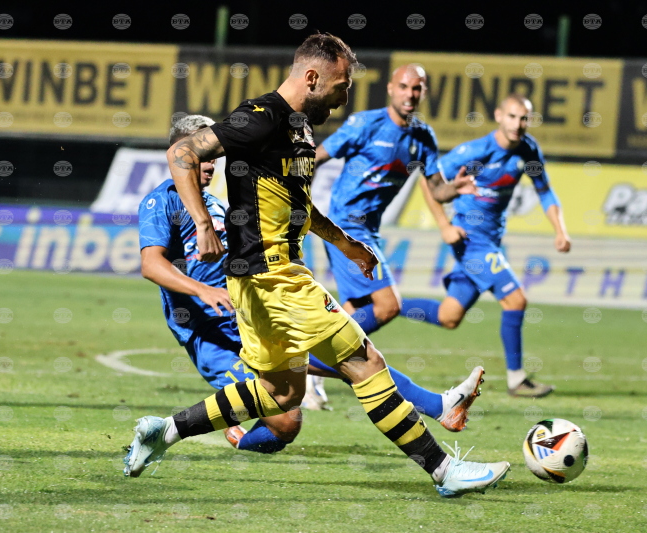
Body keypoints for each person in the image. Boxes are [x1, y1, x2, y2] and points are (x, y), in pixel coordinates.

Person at [123, 33, 509, 498]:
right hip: (274, 277)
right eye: (341, 86)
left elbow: (300, 204)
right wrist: (203, 224)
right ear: (311, 77)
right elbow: (182, 154)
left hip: (263, 281)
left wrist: (346, 244)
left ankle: (164, 431)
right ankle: (445, 471)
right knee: (366, 362)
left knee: (283, 394)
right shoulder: (260, 116)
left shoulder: (299, 129)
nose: (343, 98)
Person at [135, 114, 486, 455]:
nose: (212, 164)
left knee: (353, 359)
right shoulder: (161, 201)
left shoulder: (217, 204)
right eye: (205, 156)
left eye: (214, 157)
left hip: (254, 315)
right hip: (212, 336)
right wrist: (204, 291)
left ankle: (441, 406)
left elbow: (296, 211)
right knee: (287, 422)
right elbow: (151, 265)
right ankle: (233, 437)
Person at [400, 94, 572, 398]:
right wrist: (444, 226)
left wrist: (560, 230)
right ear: (499, 116)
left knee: (449, 316)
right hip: (470, 240)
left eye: (524, 118)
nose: (518, 124)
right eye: (512, 117)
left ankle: (386, 304)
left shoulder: (528, 150)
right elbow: (428, 180)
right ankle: (517, 380)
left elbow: (545, 191)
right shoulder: (475, 151)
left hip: (490, 241)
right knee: (516, 301)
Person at [313, 64, 475, 335]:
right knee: (388, 305)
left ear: (424, 93)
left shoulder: (423, 137)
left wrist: (455, 188)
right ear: (390, 89)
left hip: (368, 230)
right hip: (346, 226)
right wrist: (299, 197)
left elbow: (437, 190)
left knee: (357, 310)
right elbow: (317, 157)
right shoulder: (366, 124)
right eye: (403, 87)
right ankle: (314, 355)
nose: (409, 94)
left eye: (416, 89)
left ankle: (315, 359)